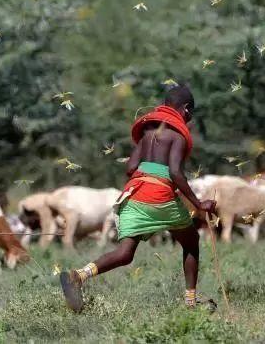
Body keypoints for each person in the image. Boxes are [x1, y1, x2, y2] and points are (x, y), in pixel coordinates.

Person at [60, 84, 217, 312]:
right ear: (185, 110)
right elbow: (175, 171)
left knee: (125, 254)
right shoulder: (177, 136)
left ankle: (79, 276)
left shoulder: (148, 131)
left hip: (134, 192)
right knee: (191, 242)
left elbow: (131, 167)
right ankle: (191, 303)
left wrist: (150, 174)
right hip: (159, 194)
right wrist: (199, 204)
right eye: (190, 114)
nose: (190, 119)